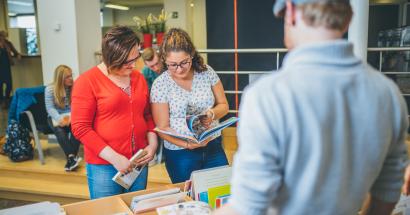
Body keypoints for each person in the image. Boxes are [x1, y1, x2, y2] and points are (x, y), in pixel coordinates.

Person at [215, 0, 409, 215]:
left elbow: (248, 207)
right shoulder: (388, 92)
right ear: (348, 19)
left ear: (290, 11)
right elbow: (389, 187)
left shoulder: (266, 95)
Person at [71, 26, 158, 199]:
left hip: (138, 162)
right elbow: (80, 127)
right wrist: (115, 158)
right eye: (127, 61)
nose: (133, 65)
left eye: (135, 58)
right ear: (112, 57)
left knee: (136, 210)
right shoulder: (87, 81)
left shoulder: (138, 78)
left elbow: (147, 114)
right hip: (104, 165)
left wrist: (152, 144)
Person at [151, 28, 229, 183]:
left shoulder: (206, 72)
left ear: (192, 55)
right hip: (181, 153)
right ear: (164, 60)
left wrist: (212, 114)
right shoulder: (161, 84)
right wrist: (187, 144)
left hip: (212, 144)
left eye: (184, 62)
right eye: (172, 64)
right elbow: (162, 128)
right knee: (189, 199)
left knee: (221, 190)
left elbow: (223, 105)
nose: (179, 69)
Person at [45, 65, 81, 171]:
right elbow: (50, 108)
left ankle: (71, 159)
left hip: (71, 114)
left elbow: (77, 105)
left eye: (71, 75)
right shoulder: (50, 89)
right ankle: (72, 157)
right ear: (60, 78)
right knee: (59, 130)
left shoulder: (74, 87)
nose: (71, 79)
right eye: (67, 77)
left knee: (78, 127)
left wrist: (71, 117)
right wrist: (59, 119)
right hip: (55, 116)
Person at [0, 30, 20, 109]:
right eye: (2, 36)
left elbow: (15, 52)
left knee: (9, 85)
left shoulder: (8, 43)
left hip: (6, 66)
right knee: (0, 86)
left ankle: (6, 100)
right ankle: (2, 101)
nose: (4, 37)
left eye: (5, 36)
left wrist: (18, 54)